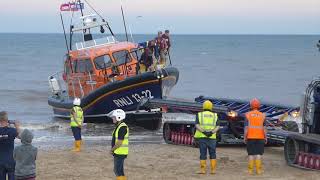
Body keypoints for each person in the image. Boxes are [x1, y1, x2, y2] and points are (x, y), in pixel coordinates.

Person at [194, 100, 220, 175]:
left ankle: (203, 170)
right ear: (211, 107)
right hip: (212, 138)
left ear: (203, 106)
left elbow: (197, 125)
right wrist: (211, 132)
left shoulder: (199, 115)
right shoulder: (215, 115)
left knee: (203, 153)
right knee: (213, 153)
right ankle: (213, 170)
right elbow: (218, 126)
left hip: (202, 137)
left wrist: (204, 132)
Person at [244, 98, 267, 175]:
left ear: (251, 105)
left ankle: (250, 171)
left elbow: (246, 128)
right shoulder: (262, 116)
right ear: (259, 106)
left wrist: (245, 137)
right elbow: (264, 128)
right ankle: (258, 170)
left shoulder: (247, 115)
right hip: (260, 137)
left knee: (251, 154)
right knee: (258, 154)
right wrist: (265, 137)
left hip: (250, 137)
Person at [0, 111, 21, 180]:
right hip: (10, 160)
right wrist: (17, 126)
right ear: (7, 120)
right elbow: (20, 137)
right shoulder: (12, 130)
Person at [109, 109, 129, 180]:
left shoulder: (122, 127)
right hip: (118, 151)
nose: (112, 118)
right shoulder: (119, 126)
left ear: (119, 117)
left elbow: (119, 142)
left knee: (117, 170)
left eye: (114, 117)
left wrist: (112, 149)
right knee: (119, 170)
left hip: (120, 152)